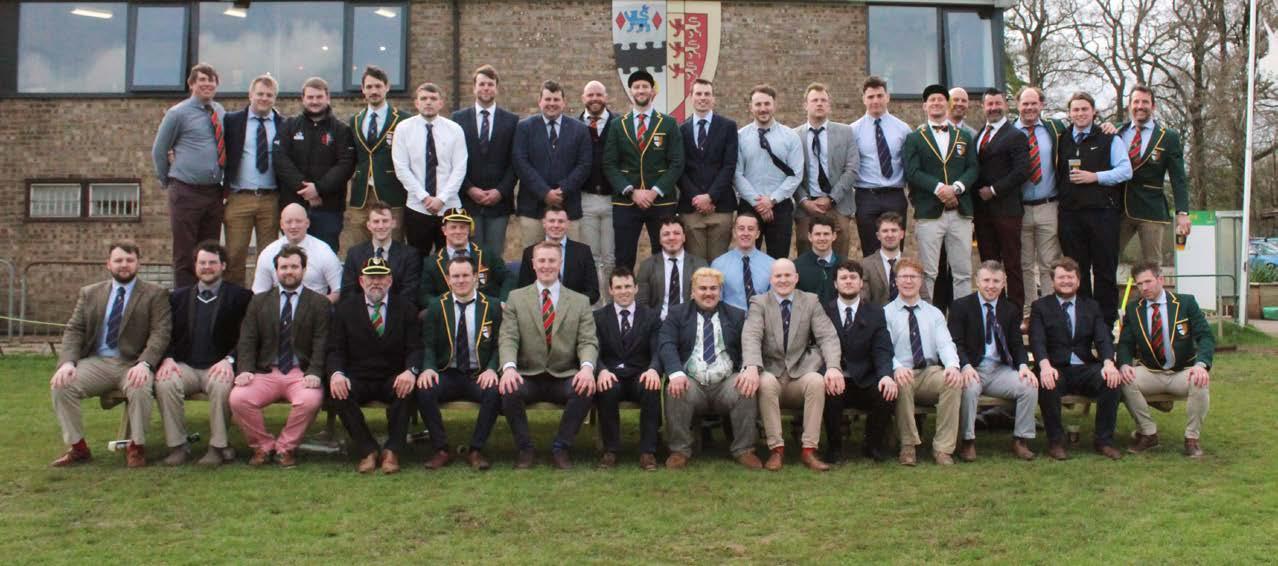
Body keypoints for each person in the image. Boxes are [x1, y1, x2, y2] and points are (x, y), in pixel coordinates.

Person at [49, 242, 171, 468]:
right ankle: (79, 448)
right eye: (118, 260)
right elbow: (75, 329)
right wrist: (67, 363)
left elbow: (160, 333)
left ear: (138, 264)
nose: (124, 265)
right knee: (61, 385)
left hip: (133, 363)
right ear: (108, 264)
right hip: (98, 362)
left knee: (139, 387)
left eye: (129, 260)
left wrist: (145, 364)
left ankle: (137, 446)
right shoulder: (90, 293)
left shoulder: (156, 294)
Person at [498, 241, 599, 469]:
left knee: (584, 388)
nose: (546, 265)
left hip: (563, 374)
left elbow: (587, 340)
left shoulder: (580, 301)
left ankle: (561, 448)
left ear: (560, 263)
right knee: (509, 389)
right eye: (541, 260)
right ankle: (525, 449)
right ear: (533, 264)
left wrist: (586, 368)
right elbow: (508, 337)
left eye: (552, 260)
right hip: (528, 374)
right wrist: (509, 368)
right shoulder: (516, 298)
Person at [229, 245, 329, 468]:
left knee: (310, 400)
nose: (289, 271)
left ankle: (285, 448)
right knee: (238, 398)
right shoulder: (259, 301)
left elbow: (322, 341)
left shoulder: (319, 303)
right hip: (266, 371)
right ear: (276, 271)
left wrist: (315, 371)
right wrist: (245, 369)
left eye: (294, 266)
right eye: (283, 267)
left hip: (300, 372)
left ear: (304, 270)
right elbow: (247, 339)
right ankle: (263, 446)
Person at [155, 241, 253, 467]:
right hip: (186, 366)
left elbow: (249, 336)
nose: (207, 267)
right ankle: (178, 446)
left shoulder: (241, 297)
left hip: (219, 365)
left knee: (221, 385)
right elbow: (164, 332)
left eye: (212, 262)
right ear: (195, 266)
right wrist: (167, 358)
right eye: (202, 263)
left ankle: (217, 447)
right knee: (165, 383)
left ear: (223, 265)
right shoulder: (177, 298)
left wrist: (230, 360)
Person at [743, 259, 842, 471]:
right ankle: (776, 450)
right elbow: (751, 335)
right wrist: (751, 366)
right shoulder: (759, 303)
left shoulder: (811, 301)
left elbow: (827, 336)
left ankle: (809, 450)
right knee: (766, 382)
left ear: (796, 278)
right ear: (771, 279)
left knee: (817, 381)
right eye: (778, 276)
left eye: (788, 275)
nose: (783, 280)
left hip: (800, 373)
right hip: (771, 372)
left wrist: (833, 367)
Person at [660, 267, 762, 470]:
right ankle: (679, 450)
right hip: (692, 381)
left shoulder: (736, 315)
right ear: (693, 292)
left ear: (720, 291)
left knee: (745, 387)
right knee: (675, 388)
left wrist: (748, 369)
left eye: (713, 288)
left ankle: (744, 450)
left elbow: (749, 344)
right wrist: (676, 373)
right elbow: (666, 343)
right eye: (703, 288)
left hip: (726, 382)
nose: (708, 293)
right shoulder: (677, 314)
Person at [326, 257, 420, 474]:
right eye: (371, 277)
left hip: (392, 376)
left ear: (390, 281)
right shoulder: (345, 309)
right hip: (358, 377)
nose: (376, 282)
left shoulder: (406, 308)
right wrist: (337, 374)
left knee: (407, 389)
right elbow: (335, 349)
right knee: (338, 391)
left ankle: (392, 451)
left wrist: (410, 371)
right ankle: (367, 449)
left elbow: (415, 347)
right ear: (361, 281)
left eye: (380, 277)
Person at [1029, 257, 1124, 460]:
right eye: (1061, 277)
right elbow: (1037, 340)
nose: (1066, 281)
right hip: (1055, 367)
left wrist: (1109, 363)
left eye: (1070, 277)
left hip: (1085, 367)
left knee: (1112, 381)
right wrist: (1044, 366)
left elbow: (1103, 338)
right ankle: (1056, 442)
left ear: (1078, 281)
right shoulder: (1040, 307)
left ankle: (1104, 441)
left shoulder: (1091, 306)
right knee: (1048, 384)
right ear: (1053, 281)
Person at [1118, 261, 1215, 458]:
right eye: (1139, 284)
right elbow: (1125, 343)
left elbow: (1205, 336)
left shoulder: (1186, 303)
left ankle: (1192, 438)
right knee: (1124, 379)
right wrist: (1125, 364)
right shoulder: (1133, 309)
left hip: (1182, 371)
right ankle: (1148, 433)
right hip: (1151, 371)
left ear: (1161, 280)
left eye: (1148, 281)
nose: (1144, 288)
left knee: (1200, 380)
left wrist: (1201, 365)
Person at [416, 257, 505, 471]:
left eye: (466, 275)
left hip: (479, 373)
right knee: (424, 389)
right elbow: (428, 344)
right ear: (448, 279)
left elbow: (500, 344)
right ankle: (441, 449)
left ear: (475, 277)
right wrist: (428, 368)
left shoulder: (492, 306)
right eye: (455, 276)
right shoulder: (436, 306)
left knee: (494, 392)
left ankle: (476, 450)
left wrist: (492, 369)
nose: (461, 280)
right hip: (447, 371)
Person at [1057, 91, 1132, 329]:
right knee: (1076, 273)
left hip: (1103, 214)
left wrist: (1095, 177)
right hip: (1070, 215)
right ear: (1069, 113)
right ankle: (1082, 325)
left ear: (1094, 112)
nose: (1080, 113)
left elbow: (1125, 170)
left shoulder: (1109, 138)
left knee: (1105, 271)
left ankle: (1105, 325)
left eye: (1084, 109)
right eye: (1075, 109)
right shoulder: (1062, 138)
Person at [949, 261, 1038, 461]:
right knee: (969, 389)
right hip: (973, 368)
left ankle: (1021, 439)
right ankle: (968, 441)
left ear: (1003, 283)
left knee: (1029, 385)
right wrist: (965, 366)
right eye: (986, 280)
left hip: (1000, 370)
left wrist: (1023, 366)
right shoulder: (961, 306)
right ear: (977, 281)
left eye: (996, 281)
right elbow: (955, 343)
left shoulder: (1010, 309)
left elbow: (1016, 344)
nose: (991, 285)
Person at [152, 63, 226, 288]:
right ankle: (185, 300)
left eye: (211, 80)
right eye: (202, 80)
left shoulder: (219, 111)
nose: (207, 84)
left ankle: (208, 297)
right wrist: (167, 180)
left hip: (213, 193)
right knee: (185, 254)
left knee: (210, 252)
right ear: (191, 84)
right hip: (186, 191)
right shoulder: (177, 113)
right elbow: (159, 150)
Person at [603, 70, 686, 271]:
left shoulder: (668, 123)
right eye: (637, 87)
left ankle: (663, 291)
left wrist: (655, 191)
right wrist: (631, 191)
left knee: (664, 255)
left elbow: (677, 162)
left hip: (661, 201)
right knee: (624, 257)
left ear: (652, 91)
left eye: (645, 87)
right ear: (631, 91)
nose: (641, 90)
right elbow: (609, 163)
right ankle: (625, 291)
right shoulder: (617, 125)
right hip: (626, 201)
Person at [884, 257, 963, 466]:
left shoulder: (934, 313)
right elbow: (884, 349)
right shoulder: (886, 314)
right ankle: (908, 446)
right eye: (903, 277)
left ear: (921, 281)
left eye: (913, 277)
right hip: (902, 372)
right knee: (902, 382)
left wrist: (952, 366)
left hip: (929, 373)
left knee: (952, 381)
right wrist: (896, 367)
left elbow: (945, 344)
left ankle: (943, 448)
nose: (908, 281)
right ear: (896, 281)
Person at [903, 84, 978, 301]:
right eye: (932, 100)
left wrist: (956, 188)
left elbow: (973, 168)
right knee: (928, 272)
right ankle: (928, 315)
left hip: (960, 212)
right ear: (925, 106)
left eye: (940, 99)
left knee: (963, 272)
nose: (936, 103)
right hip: (929, 213)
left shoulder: (964, 136)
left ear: (948, 104)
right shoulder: (914, 138)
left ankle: (962, 317)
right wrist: (939, 188)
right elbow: (912, 171)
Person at [821, 260, 896, 463]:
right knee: (828, 393)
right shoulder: (823, 312)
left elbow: (882, 349)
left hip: (864, 377)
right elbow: (816, 346)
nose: (848, 281)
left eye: (853, 277)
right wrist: (828, 371)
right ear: (835, 283)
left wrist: (886, 376)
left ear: (861, 283)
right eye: (843, 278)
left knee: (886, 392)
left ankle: (872, 445)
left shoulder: (875, 313)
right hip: (835, 377)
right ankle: (835, 448)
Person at [273, 77, 356, 252]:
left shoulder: (341, 130)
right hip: (293, 205)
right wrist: (306, 190)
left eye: (319, 97)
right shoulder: (289, 126)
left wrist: (318, 188)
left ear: (328, 98)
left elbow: (346, 165)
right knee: (293, 256)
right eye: (310, 97)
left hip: (328, 208)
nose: (314, 101)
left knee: (325, 254)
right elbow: (280, 160)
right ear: (303, 99)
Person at [593, 267, 663, 470]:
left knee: (651, 387)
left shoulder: (651, 317)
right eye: (618, 287)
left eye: (627, 286)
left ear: (636, 288)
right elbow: (592, 349)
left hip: (640, 374)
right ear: (610, 290)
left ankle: (648, 451)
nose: (623, 291)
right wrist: (601, 370)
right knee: (606, 388)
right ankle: (610, 450)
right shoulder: (598, 317)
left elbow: (658, 350)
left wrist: (653, 369)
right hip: (611, 374)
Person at [222, 74, 286, 286]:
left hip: (271, 199)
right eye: (260, 94)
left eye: (269, 95)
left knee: (269, 257)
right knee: (234, 256)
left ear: (275, 98)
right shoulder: (232, 121)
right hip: (239, 198)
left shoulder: (284, 124)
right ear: (250, 95)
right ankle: (235, 301)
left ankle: (265, 299)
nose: (264, 98)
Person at [392, 82, 468, 257]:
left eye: (433, 98)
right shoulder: (403, 129)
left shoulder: (455, 130)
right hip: (417, 206)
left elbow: (459, 168)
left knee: (451, 259)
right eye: (424, 98)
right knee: (416, 259)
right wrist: (424, 197)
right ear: (416, 103)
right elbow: (401, 168)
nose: (428, 102)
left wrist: (441, 198)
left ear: (441, 103)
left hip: (449, 206)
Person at [1117, 86, 1191, 265]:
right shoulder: (1118, 132)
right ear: (1129, 105)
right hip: (1119, 209)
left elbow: (1178, 178)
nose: (1140, 106)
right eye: (1136, 102)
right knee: (1106, 259)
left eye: (1145, 102)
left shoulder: (1168, 137)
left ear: (1153, 106)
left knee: (1152, 264)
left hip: (1151, 209)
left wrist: (1182, 212)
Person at [513, 80, 592, 246]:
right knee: (533, 256)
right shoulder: (524, 127)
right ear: (539, 101)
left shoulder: (580, 129)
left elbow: (584, 165)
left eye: (556, 99)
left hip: (568, 207)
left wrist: (562, 190)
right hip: (532, 208)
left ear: (564, 102)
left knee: (569, 257)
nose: (552, 103)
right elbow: (520, 162)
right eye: (547, 99)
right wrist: (544, 192)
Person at [1013, 86, 1067, 327]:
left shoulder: (1056, 129)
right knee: (1024, 264)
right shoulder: (1009, 132)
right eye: (1025, 104)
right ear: (1017, 105)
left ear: (1042, 105)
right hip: (1019, 208)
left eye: (1034, 103)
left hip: (1049, 205)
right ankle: (1028, 312)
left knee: (1048, 263)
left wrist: (1112, 127)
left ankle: (1048, 312)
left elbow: (1084, 130)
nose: (1029, 108)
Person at [971, 88, 1030, 310]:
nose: (994, 108)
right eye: (989, 104)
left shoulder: (1016, 136)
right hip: (983, 213)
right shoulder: (978, 135)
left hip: (1007, 210)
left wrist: (994, 190)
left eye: (998, 103)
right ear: (983, 107)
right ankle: (994, 308)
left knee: (1012, 264)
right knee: (989, 264)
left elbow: (1022, 171)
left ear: (1005, 105)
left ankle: (1014, 311)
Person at [453, 65, 519, 253]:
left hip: (499, 203)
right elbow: (453, 160)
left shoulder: (511, 120)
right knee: (469, 255)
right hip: (467, 200)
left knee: (494, 255)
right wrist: (469, 188)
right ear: (474, 88)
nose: (486, 88)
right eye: (482, 84)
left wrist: (500, 191)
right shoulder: (458, 119)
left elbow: (515, 162)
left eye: (490, 84)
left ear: (496, 88)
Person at [343, 65, 409, 250]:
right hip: (361, 194)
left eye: (378, 86)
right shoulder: (355, 120)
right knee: (359, 246)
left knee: (393, 246)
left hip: (392, 192)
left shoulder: (403, 119)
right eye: (369, 87)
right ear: (363, 89)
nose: (374, 91)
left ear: (387, 87)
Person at [734, 84, 803, 259]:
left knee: (779, 260)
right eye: (758, 104)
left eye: (767, 104)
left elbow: (796, 174)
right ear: (750, 107)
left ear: (775, 105)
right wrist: (758, 202)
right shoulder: (740, 137)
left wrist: (771, 200)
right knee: (747, 258)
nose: (763, 108)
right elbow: (736, 174)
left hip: (780, 207)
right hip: (749, 206)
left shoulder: (790, 137)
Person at [794, 83, 859, 257]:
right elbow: (790, 174)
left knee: (839, 257)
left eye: (823, 100)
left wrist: (831, 198)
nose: (819, 104)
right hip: (806, 206)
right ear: (805, 105)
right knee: (806, 254)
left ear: (829, 105)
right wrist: (804, 201)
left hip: (838, 204)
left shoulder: (846, 132)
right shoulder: (793, 136)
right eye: (814, 100)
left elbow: (852, 169)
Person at [677, 78, 739, 262]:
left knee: (719, 264)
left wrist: (710, 196)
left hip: (720, 207)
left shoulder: (728, 127)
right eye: (698, 94)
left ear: (713, 99)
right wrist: (697, 198)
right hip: (691, 208)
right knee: (697, 266)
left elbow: (729, 165)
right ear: (691, 97)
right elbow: (679, 168)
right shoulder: (680, 130)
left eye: (707, 94)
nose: (702, 98)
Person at [850, 75, 912, 255]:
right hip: (866, 196)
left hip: (894, 194)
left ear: (887, 97)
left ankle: (894, 275)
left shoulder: (903, 129)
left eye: (879, 96)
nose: (875, 101)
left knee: (895, 249)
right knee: (870, 251)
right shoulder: (853, 131)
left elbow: (909, 165)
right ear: (864, 99)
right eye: (870, 97)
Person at [252, 204, 342, 302]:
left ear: (307, 223)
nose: (293, 226)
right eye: (288, 222)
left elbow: (339, 290)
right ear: (281, 224)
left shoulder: (324, 251)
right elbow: (259, 293)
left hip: (314, 307)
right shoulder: (268, 253)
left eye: (298, 221)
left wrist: (320, 306)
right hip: (278, 308)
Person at [420, 208, 513, 303]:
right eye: (453, 227)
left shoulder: (487, 254)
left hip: (486, 308)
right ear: (444, 230)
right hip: (449, 310)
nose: (458, 231)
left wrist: (503, 301)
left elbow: (508, 277)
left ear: (469, 229)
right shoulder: (431, 262)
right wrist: (442, 307)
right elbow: (425, 294)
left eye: (462, 227)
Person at [341, 202, 423, 309]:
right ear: (368, 225)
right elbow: (348, 291)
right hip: (361, 312)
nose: (381, 226)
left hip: (397, 312)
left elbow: (410, 292)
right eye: (376, 221)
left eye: (385, 221)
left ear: (393, 223)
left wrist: (385, 310)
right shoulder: (354, 254)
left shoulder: (410, 255)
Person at [517, 206, 600, 304]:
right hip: (539, 310)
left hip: (574, 310)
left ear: (568, 224)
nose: (556, 225)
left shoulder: (583, 252)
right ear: (544, 223)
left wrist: (570, 306)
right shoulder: (529, 252)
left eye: (561, 221)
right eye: (552, 221)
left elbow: (593, 292)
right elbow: (523, 290)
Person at [578, 80, 617, 289]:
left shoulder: (619, 123)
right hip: (586, 199)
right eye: (590, 95)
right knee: (591, 258)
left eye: (599, 95)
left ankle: (611, 302)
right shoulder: (574, 125)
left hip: (613, 200)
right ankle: (594, 304)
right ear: (583, 98)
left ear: (606, 97)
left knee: (610, 258)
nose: (595, 99)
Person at [635, 217, 708, 318]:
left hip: (690, 321)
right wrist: (653, 323)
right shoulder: (647, 266)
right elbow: (641, 302)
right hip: (658, 322)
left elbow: (705, 301)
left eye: (676, 233)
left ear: (684, 237)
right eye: (666, 234)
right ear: (660, 239)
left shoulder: (700, 265)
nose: (671, 238)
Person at [860, 212, 928, 306]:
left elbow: (925, 298)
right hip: (878, 314)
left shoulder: (914, 263)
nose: (890, 235)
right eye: (885, 231)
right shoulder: (866, 265)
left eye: (894, 230)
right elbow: (863, 301)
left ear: (902, 234)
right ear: (878, 236)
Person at [711, 213, 774, 310]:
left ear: (757, 234)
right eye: (741, 228)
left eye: (751, 229)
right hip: (729, 318)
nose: (746, 233)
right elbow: (716, 302)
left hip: (762, 318)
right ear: (734, 232)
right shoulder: (718, 265)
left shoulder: (772, 265)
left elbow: (774, 303)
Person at [794, 216, 842, 303]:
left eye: (826, 234)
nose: (822, 238)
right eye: (817, 234)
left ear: (834, 236)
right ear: (810, 236)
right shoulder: (797, 266)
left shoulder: (844, 265)